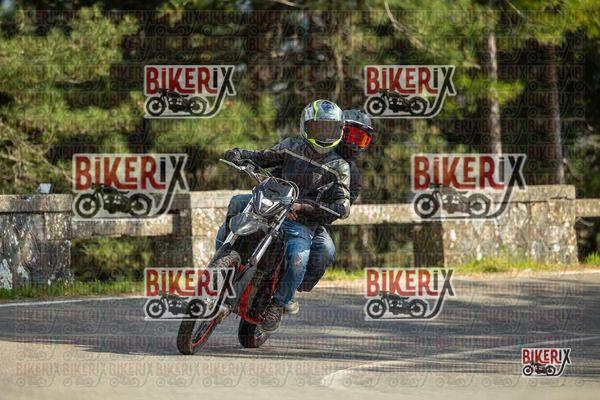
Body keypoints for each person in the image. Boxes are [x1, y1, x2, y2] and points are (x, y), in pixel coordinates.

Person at [216, 109, 375, 315]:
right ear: (339, 130)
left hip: (309, 219)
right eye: (350, 135)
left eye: (360, 139)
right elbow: (267, 158)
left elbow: (337, 210)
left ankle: (285, 295)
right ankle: (221, 259)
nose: (353, 144)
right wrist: (241, 155)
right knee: (237, 203)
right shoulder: (296, 146)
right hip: (276, 201)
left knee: (323, 251)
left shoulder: (347, 172)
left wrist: (303, 209)